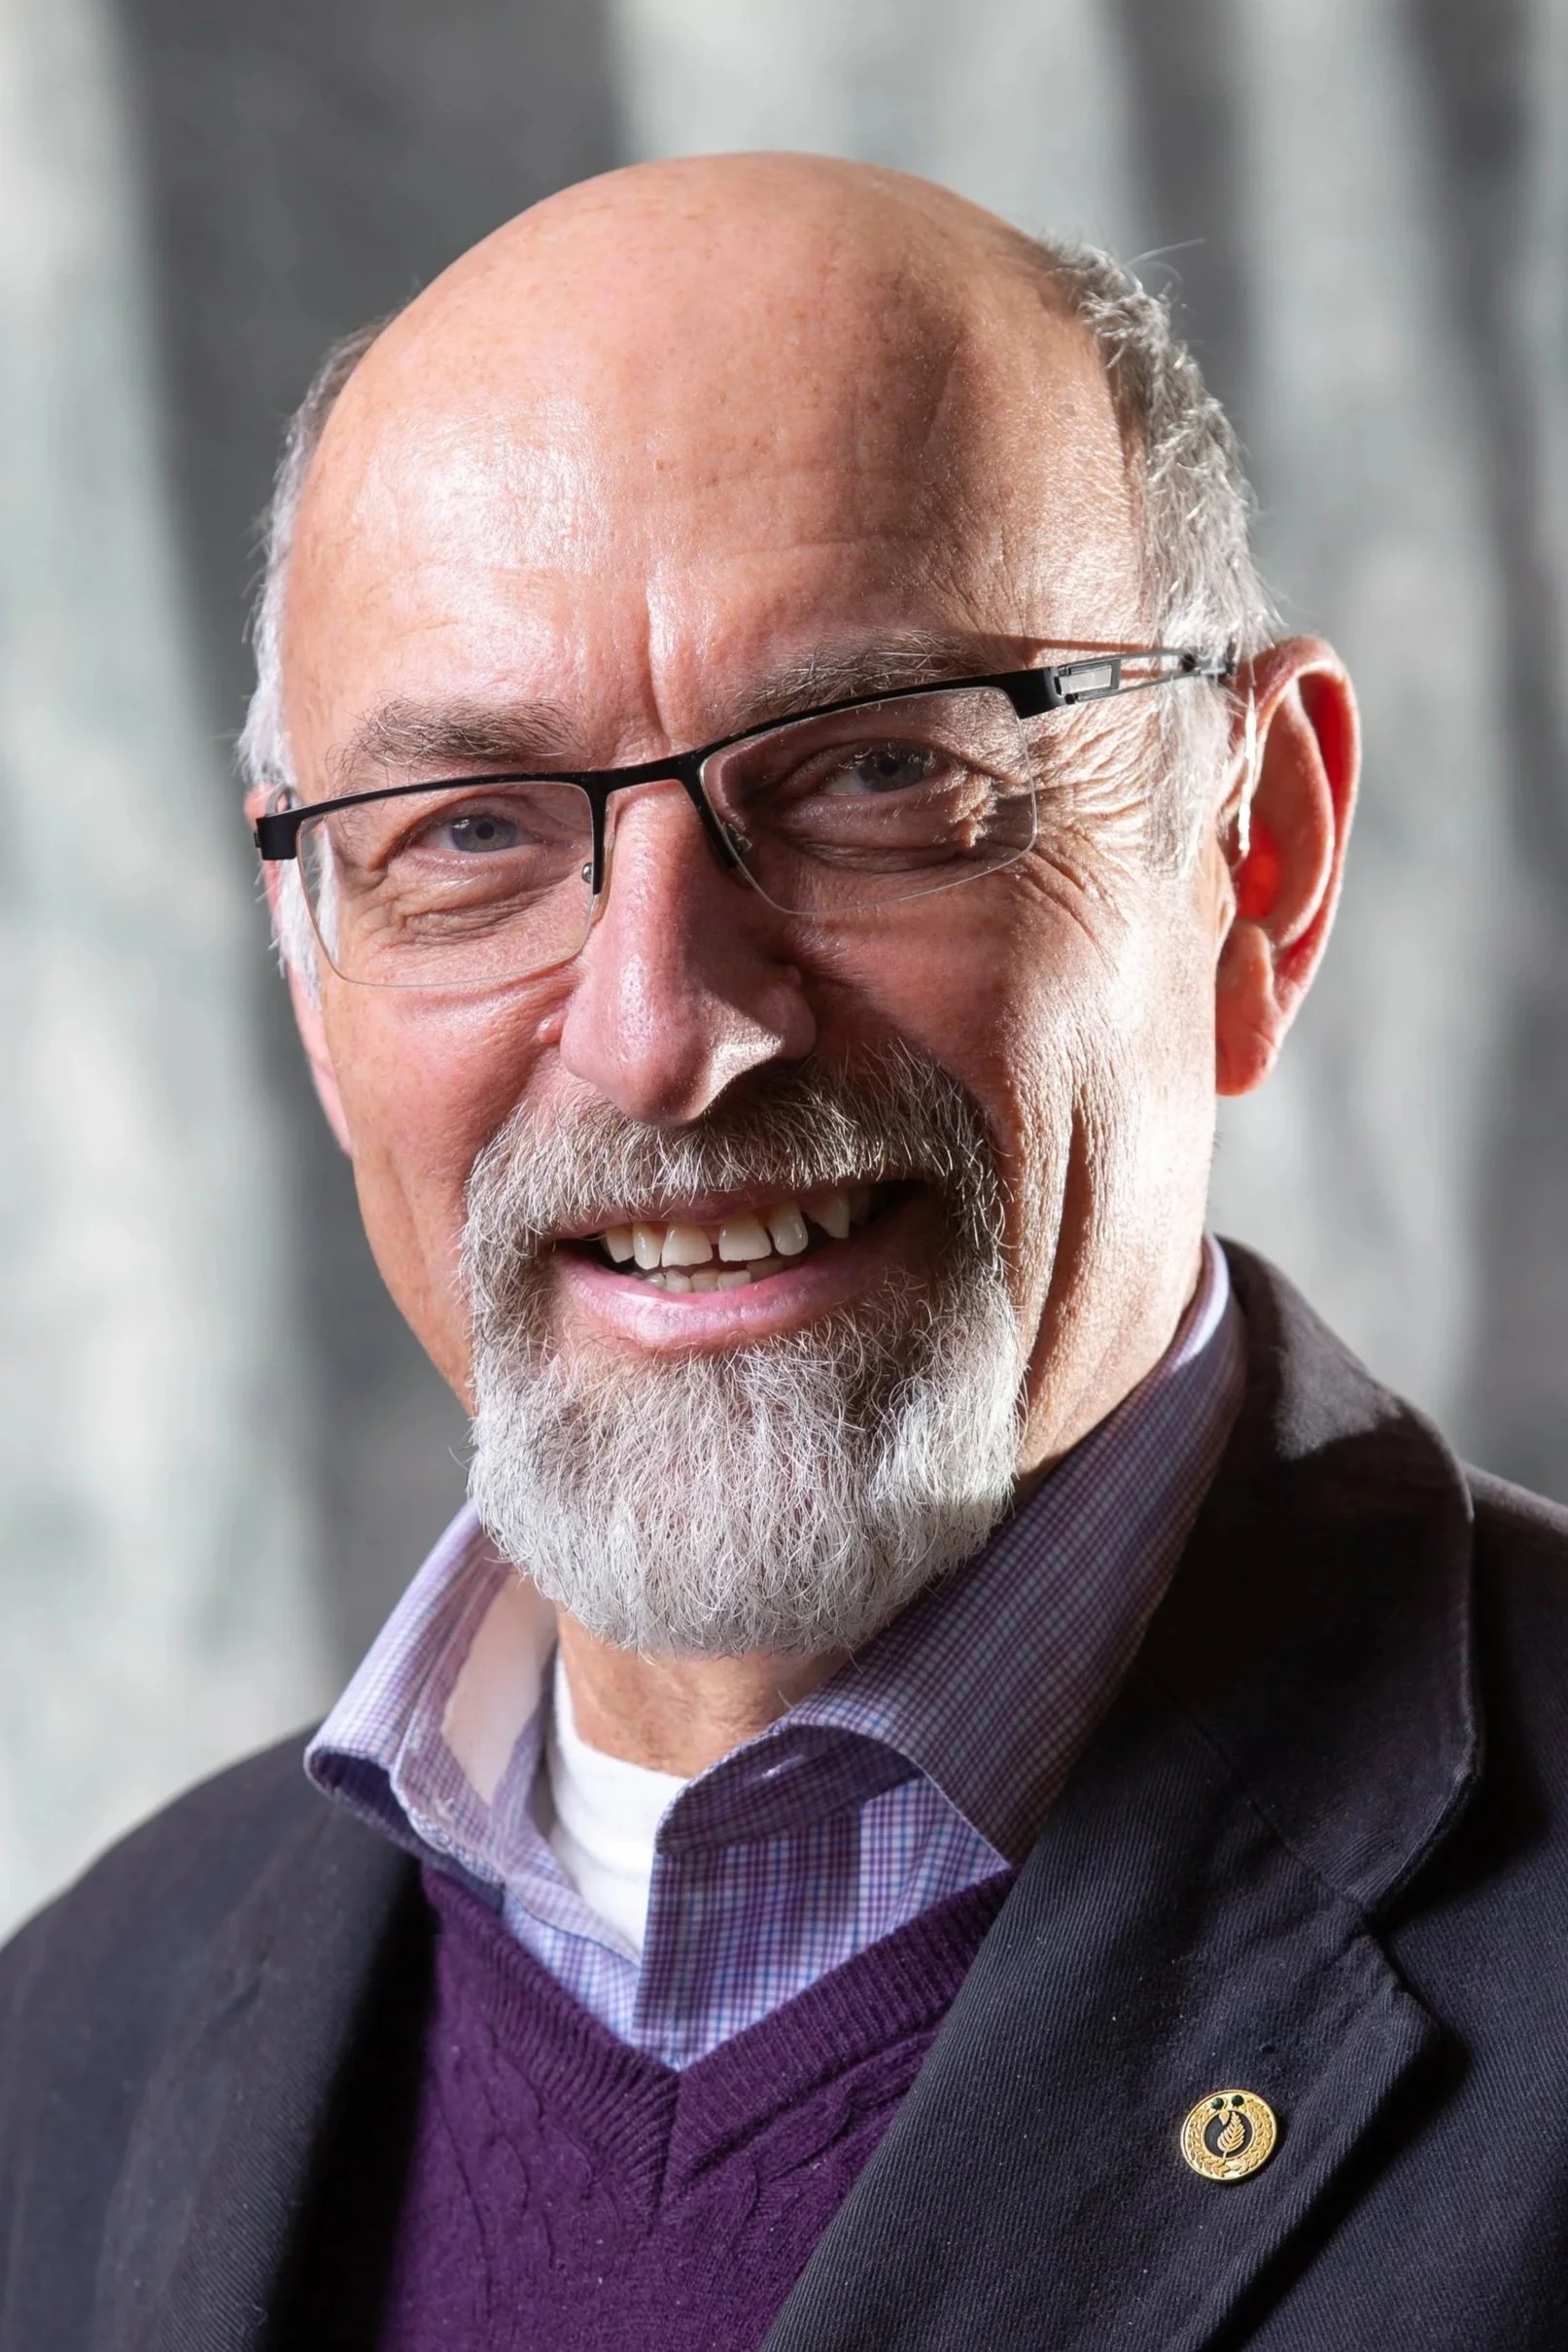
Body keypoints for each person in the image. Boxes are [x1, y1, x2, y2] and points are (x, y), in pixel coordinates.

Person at [3, 151, 1567, 2352]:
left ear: (1258, 851)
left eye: (869, 776)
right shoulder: (67, 2046)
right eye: (469, 832)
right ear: (312, 976)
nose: (657, 1032)